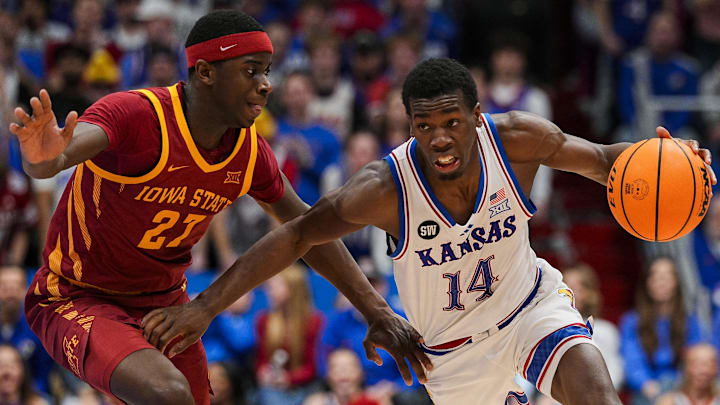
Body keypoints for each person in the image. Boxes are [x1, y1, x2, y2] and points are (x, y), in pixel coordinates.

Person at [141, 57, 716, 404]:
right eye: (424, 125)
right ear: (409, 123)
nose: (439, 138)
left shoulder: (517, 139)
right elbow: (295, 235)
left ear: (475, 115)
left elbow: (602, 158)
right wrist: (205, 307)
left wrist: (671, 158)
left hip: (529, 307)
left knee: (598, 396)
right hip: (453, 353)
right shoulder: (383, 186)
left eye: (451, 122)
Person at [10, 10, 424, 405]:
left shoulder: (248, 153)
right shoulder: (138, 114)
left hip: (165, 305)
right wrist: (41, 159)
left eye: (267, 71)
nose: (266, 84)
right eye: (251, 71)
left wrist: (378, 311)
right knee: (169, 395)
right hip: (75, 296)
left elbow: (309, 230)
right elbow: (59, 155)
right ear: (205, 72)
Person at [620, 256, 706, 405]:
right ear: (647, 283)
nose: (661, 282)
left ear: (676, 282)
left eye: (667, 277)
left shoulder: (690, 321)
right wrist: (649, 387)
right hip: (647, 390)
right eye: (655, 277)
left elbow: (696, 356)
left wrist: (679, 390)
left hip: (683, 386)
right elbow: (632, 361)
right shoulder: (631, 321)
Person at [304, 348, 380, 405]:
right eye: (336, 368)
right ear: (327, 375)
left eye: (350, 368)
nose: (344, 373)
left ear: (362, 373)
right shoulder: (316, 402)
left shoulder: (375, 400)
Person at [655, 343, 720, 405]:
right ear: (685, 368)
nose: (704, 371)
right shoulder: (669, 402)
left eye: (710, 365)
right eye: (696, 364)